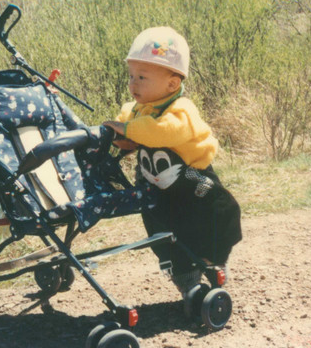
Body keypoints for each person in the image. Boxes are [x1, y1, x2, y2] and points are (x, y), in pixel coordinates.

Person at [103, 26, 242, 298]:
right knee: (165, 233)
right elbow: (128, 135)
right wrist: (117, 137)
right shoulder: (134, 110)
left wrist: (127, 130)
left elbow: (161, 132)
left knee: (218, 214)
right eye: (131, 76)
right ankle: (187, 281)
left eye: (142, 77)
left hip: (193, 180)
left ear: (172, 84)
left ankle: (214, 264)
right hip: (157, 186)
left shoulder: (182, 110)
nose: (133, 84)